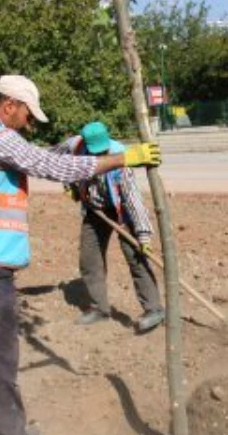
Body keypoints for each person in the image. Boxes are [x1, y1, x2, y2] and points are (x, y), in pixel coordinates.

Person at [0, 74, 162, 435]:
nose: (28, 124)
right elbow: (51, 164)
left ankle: (2, 433)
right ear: (8, 105)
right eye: (26, 115)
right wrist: (125, 158)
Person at [58, 121, 164, 333]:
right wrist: (70, 186)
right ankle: (99, 308)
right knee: (89, 259)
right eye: (96, 152)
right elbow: (57, 161)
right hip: (95, 209)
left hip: (120, 209)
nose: (102, 155)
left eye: (103, 150)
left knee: (136, 256)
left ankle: (154, 309)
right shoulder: (75, 146)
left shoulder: (120, 159)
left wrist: (143, 235)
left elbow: (133, 200)